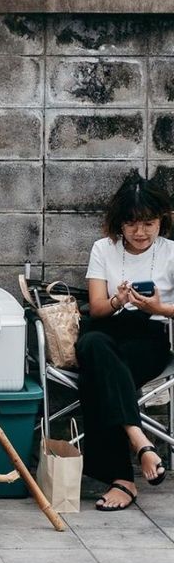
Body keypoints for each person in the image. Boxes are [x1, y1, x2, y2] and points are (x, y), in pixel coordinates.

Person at [77, 174, 174, 511]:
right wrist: (118, 300)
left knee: (97, 373)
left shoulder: (171, 253)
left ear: (162, 219)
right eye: (132, 224)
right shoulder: (103, 249)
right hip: (108, 329)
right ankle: (140, 441)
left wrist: (158, 307)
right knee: (92, 345)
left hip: (150, 337)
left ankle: (122, 478)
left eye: (149, 223)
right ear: (119, 223)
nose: (141, 232)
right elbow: (98, 308)